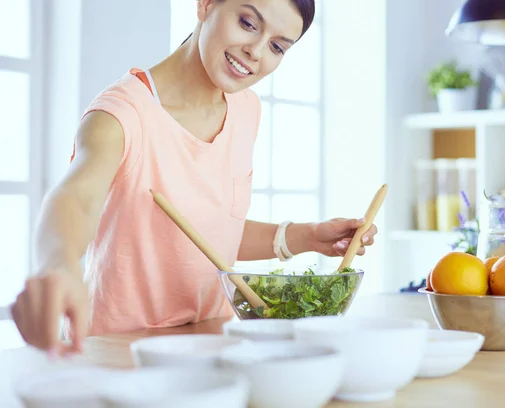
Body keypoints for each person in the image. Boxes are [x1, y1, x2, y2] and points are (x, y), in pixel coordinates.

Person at [10, 0, 378, 357]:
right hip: (118, 352)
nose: (256, 52)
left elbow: (211, 231)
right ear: (205, 4)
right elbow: (75, 199)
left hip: (210, 347)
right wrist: (58, 265)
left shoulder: (245, 109)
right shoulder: (121, 114)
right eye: (248, 23)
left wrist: (308, 236)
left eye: (277, 47)